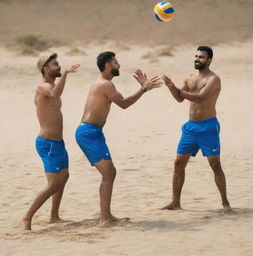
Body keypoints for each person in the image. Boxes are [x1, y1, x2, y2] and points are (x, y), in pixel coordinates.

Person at [75, 51, 162, 227]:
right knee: (109, 173)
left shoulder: (102, 83)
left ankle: (106, 215)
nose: (118, 65)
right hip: (88, 133)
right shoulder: (105, 84)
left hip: (93, 132)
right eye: (115, 62)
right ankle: (104, 219)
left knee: (110, 173)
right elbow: (124, 104)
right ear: (108, 66)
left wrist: (143, 88)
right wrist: (143, 89)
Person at [162, 46, 231, 212]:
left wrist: (179, 91)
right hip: (190, 127)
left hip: (208, 126)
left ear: (209, 60)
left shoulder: (214, 79)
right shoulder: (190, 78)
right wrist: (172, 88)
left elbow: (201, 98)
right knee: (178, 163)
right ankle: (175, 203)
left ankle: (225, 203)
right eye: (196, 56)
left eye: (201, 57)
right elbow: (179, 99)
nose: (197, 59)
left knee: (215, 164)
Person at [22, 53, 80, 230]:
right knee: (54, 183)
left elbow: (55, 95)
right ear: (46, 69)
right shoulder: (42, 87)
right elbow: (54, 94)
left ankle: (54, 216)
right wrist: (67, 74)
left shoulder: (52, 86)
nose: (59, 67)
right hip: (47, 143)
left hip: (58, 143)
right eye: (55, 64)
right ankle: (27, 217)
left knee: (64, 177)